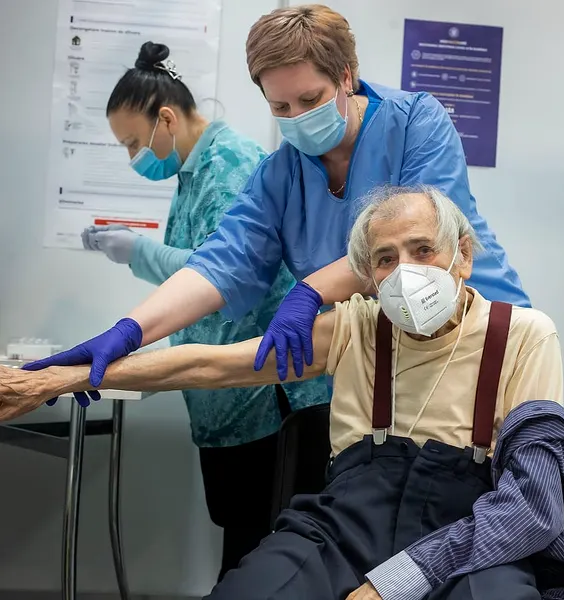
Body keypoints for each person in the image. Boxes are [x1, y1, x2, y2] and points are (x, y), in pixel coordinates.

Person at [3, 187, 564, 600]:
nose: (406, 270)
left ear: (462, 257)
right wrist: (65, 376)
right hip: (347, 521)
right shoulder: (352, 327)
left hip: (475, 531)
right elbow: (213, 366)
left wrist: (395, 583)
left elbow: (530, 506)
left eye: (423, 250)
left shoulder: (523, 335)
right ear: (368, 276)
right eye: (384, 258)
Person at [26, 4, 531, 392]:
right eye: (279, 106)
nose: (296, 117)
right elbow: (221, 265)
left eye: (310, 100)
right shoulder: (280, 174)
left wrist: (309, 291)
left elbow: (419, 245)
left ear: (346, 77)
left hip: (474, 331)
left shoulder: (416, 122)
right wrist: (129, 331)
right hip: (386, 353)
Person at [72, 41, 330, 580]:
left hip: (268, 396)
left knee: (265, 555)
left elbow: (225, 273)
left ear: (165, 118)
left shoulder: (230, 164)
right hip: (230, 401)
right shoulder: (191, 174)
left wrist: (137, 251)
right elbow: (193, 268)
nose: (133, 158)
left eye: (134, 143)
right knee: (243, 546)